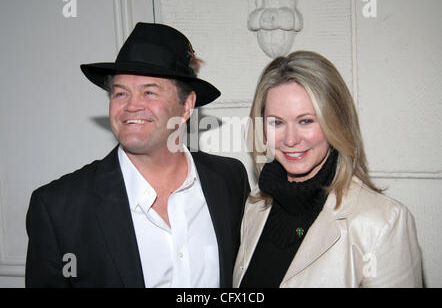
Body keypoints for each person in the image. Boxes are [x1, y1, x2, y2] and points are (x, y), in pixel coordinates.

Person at [25, 22, 250, 288]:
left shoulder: (228, 180)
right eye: (120, 93)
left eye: (149, 91)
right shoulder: (58, 207)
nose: (131, 105)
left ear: (187, 105)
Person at [233, 51, 422, 287]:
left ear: (336, 122)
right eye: (277, 122)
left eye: (306, 121)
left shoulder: (382, 223)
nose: (290, 139)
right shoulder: (255, 207)